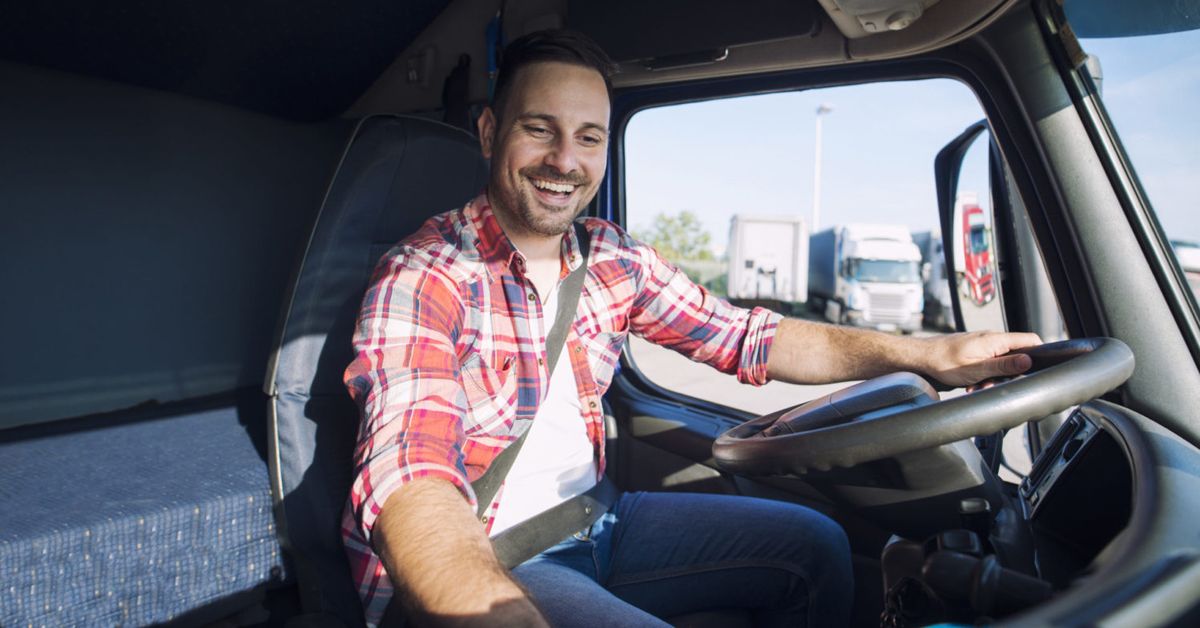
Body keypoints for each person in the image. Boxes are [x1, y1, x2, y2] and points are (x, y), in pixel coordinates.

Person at [341, 29, 1041, 628]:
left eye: (589, 137)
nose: (565, 160)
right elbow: (410, 477)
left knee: (817, 547)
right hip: (497, 551)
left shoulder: (611, 259)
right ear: (491, 132)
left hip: (600, 519)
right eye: (539, 129)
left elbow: (750, 338)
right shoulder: (426, 274)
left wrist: (933, 354)